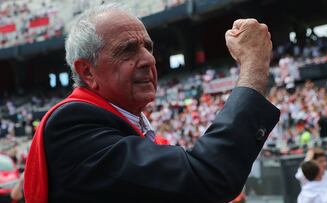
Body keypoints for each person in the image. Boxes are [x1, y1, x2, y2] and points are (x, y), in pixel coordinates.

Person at [24, 3, 280, 203]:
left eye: (148, 47)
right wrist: (254, 67)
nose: (148, 59)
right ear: (88, 72)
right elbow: (207, 177)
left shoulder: (123, 126)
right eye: (127, 49)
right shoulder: (72, 126)